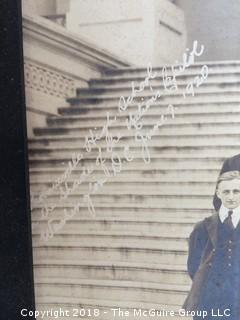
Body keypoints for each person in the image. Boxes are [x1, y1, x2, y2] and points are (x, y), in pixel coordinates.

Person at [183, 170, 240, 320]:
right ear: (218, 193)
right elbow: (193, 265)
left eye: (236, 191)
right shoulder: (203, 227)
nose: (231, 197)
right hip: (209, 300)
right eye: (226, 192)